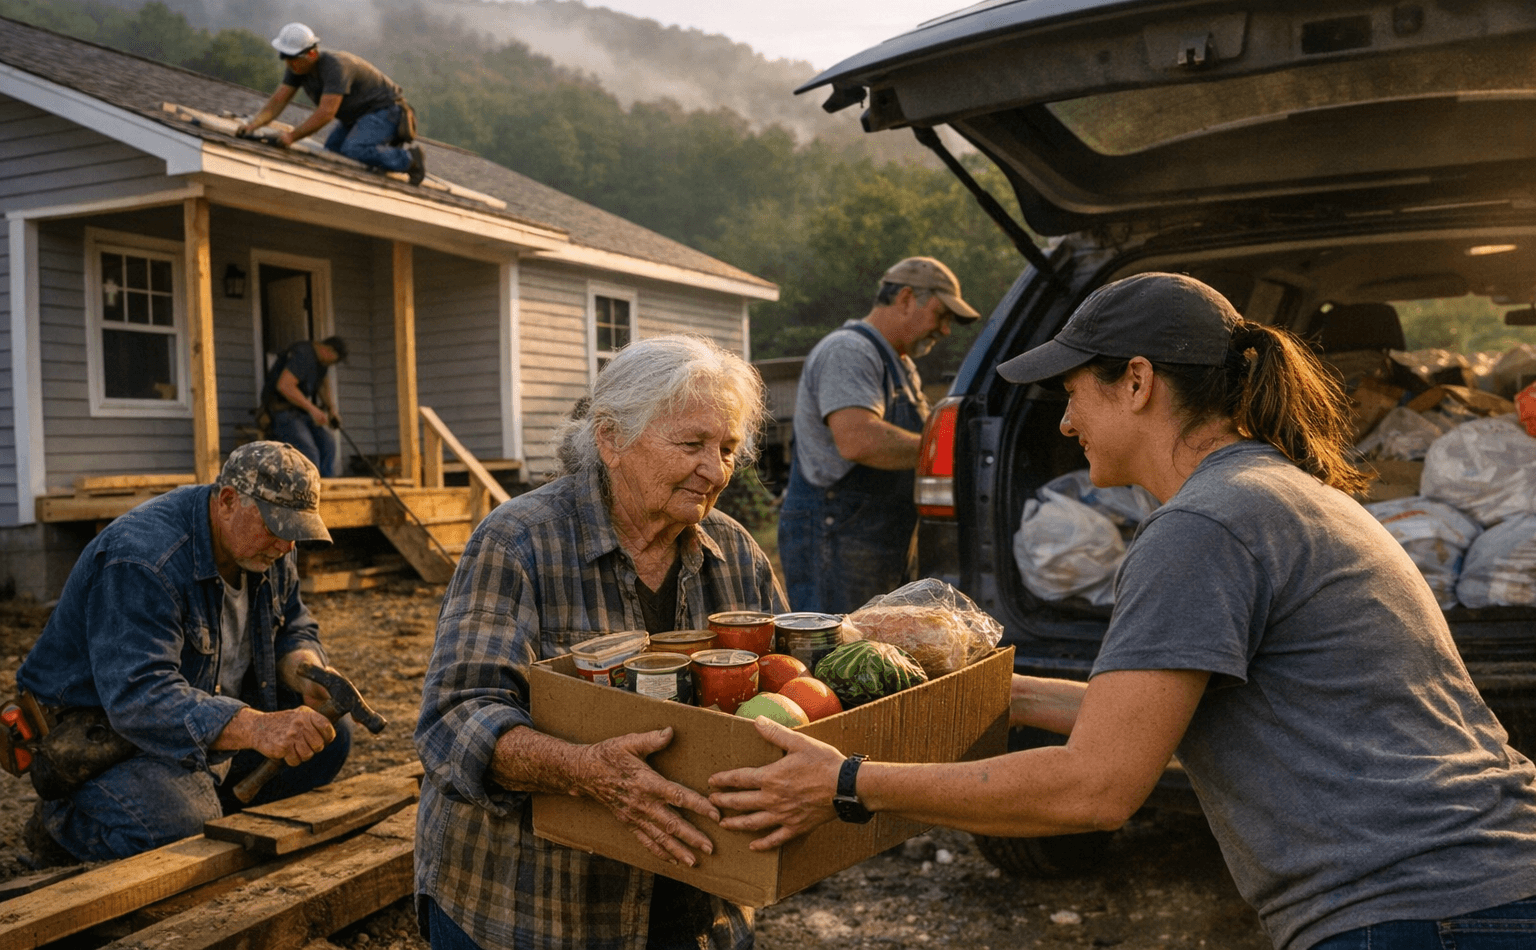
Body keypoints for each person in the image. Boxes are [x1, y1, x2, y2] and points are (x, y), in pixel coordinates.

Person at [710, 273, 1536, 950]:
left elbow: (1097, 786)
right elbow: (1136, 717)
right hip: (1479, 885)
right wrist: (971, 681)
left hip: (1425, 912)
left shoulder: (1202, 526)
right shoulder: (1271, 491)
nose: (1064, 423)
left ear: (1137, 381)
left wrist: (847, 783)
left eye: (1074, 394)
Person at [414, 334, 788, 950]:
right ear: (610, 439)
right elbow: (454, 720)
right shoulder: (519, 541)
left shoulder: (735, 553)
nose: (714, 469)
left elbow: (786, 691)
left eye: (726, 448)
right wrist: (587, 772)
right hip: (532, 912)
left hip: (698, 904)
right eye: (691, 444)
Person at [16, 441, 350, 864]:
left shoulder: (271, 547)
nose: (287, 546)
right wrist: (256, 729)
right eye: (278, 527)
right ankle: (65, 824)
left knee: (328, 741)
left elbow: (294, 624)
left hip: (196, 715)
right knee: (183, 823)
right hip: (100, 734)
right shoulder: (142, 559)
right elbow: (141, 696)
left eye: (296, 531)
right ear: (228, 500)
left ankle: (202, 803)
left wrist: (303, 669)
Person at [778, 256, 978, 615]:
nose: (945, 330)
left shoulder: (901, 367)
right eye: (941, 315)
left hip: (876, 539)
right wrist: (949, 453)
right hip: (838, 537)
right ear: (905, 298)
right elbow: (859, 439)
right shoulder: (849, 350)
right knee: (838, 655)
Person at [237, 22, 426, 185]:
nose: (288, 64)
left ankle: (409, 159)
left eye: (292, 58)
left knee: (353, 149)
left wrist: (291, 137)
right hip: (357, 117)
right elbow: (278, 101)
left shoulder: (335, 66)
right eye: (284, 57)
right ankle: (381, 155)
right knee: (333, 152)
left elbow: (326, 113)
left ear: (311, 54)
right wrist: (252, 125)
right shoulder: (296, 69)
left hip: (387, 112)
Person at [261, 335, 346, 477]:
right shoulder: (304, 355)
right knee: (309, 451)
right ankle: (308, 491)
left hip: (299, 412)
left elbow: (323, 384)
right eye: (335, 360)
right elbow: (285, 385)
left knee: (328, 444)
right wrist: (313, 409)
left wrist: (331, 409)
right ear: (328, 350)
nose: (332, 364)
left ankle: (324, 485)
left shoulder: (321, 363)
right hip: (280, 411)